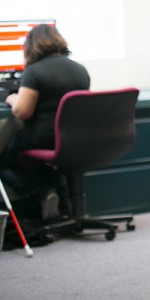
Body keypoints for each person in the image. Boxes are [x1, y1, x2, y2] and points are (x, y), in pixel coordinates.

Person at [0, 24, 89, 214]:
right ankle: (64, 209)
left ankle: (42, 193)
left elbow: (23, 113)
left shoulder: (35, 71)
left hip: (43, 137)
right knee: (49, 167)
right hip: (74, 139)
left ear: (31, 46)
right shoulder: (79, 69)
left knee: (4, 166)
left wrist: (11, 98)